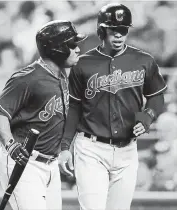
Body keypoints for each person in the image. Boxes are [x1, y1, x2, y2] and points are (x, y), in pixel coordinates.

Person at [58, 3, 167, 210]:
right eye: (113, 30)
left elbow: (156, 96)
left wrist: (148, 116)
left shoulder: (143, 60)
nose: (118, 35)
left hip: (127, 149)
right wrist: (64, 147)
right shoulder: (83, 64)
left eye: (123, 30)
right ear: (101, 30)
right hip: (91, 148)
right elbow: (74, 108)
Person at [0, 20, 86, 210]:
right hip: (23, 162)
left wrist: (64, 149)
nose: (77, 49)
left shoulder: (63, 75)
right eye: (72, 45)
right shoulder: (28, 77)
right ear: (57, 49)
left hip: (50, 164)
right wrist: (11, 145)